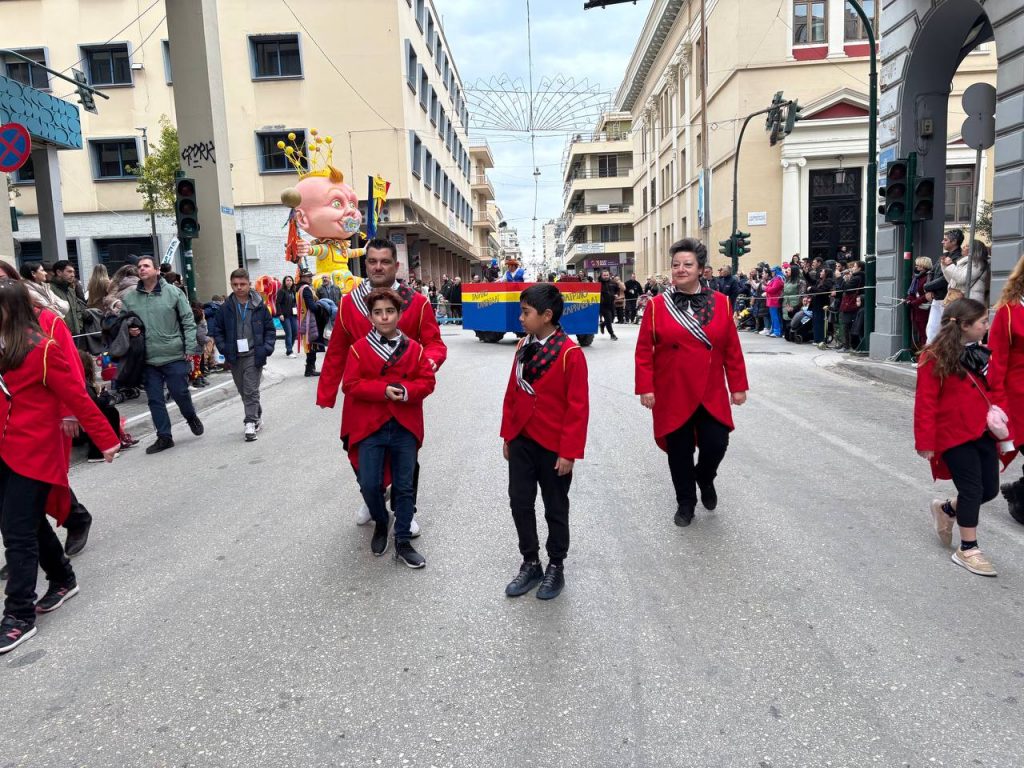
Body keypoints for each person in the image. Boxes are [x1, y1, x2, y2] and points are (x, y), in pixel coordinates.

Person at [0, 281, 119, 655]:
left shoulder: (43, 349)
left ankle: (18, 614)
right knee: (30, 524)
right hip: (4, 450)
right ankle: (63, 578)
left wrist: (107, 438)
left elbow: (77, 396)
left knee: (16, 531)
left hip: (36, 451)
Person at [317, 238, 447, 534]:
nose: (378, 267)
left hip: (403, 398)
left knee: (406, 457)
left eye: (385, 261)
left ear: (395, 265)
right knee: (357, 450)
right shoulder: (349, 302)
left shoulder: (417, 301)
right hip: (362, 398)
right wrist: (326, 392)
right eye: (372, 261)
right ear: (365, 265)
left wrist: (427, 362)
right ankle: (371, 496)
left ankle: (406, 511)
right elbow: (337, 348)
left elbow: (434, 343)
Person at [635, 238, 749, 527]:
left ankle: (706, 476)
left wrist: (737, 385)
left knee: (716, 443)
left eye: (688, 264)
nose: (680, 269)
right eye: (676, 265)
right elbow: (644, 350)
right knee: (679, 451)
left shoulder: (721, 303)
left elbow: (731, 348)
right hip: (672, 390)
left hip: (710, 390)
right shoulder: (657, 306)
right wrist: (645, 387)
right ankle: (685, 503)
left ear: (701, 269)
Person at [501, 284, 589, 600]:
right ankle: (530, 561)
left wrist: (569, 453)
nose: (521, 318)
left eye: (526, 312)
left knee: (555, 507)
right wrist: (507, 435)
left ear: (547, 315)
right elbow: (512, 393)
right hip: (523, 440)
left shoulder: (570, 354)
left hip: (554, 447)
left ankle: (556, 565)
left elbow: (578, 408)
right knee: (520, 502)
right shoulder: (523, 346)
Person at [914, 298, 1013, 577]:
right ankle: (968, 548)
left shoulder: (983, 353)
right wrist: (926, 442)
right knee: (971, 490)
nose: (987, 326)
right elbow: (926, 402)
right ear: (965, 325)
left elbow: (994, 391)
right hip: (953, 435)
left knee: (989, 490)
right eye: (983, 322)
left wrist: (1003, 424)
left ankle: (945, 509)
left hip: (982, 432)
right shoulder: (933, 356)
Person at [341, 288, 435, 568]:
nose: (384, 317)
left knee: (405, 487)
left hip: (405, 425)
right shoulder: (358, 348)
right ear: (370, 316)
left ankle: (403, 541)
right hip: (371, 426)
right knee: (370, 484)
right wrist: (383, 390)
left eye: (390, 311)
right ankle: (381, 521)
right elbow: (350, 384)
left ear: (399, 315)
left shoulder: (415, 349)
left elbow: (427, 382)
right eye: (378, 312)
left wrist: (406, 391)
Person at [120, 255, 204, 454]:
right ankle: (164, 436)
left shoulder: (173, 293)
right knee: (155, 399)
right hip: (147, 358)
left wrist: (190, 348)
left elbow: (188, 321)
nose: (142, 269)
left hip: (173, 353)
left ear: (157, 270)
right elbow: (122, 321)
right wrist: (128, 328)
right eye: (139, 266)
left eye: (146, 266)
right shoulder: (130, 297)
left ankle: (190, 416)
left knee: (180, 393)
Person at [208, 269, 277, 441]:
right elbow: (218, 331)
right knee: (244, 391)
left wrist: (266, 348)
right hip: (235, 355)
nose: (239, 288)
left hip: (254, 354)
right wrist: (224, 348)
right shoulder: (225, 308)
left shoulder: (260, 306)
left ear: (249, 284)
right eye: (235, 284)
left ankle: (250, 423)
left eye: (242, 284)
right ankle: (257, 414)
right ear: (231, 285)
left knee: (250, 389)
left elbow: (270, 330)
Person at [987, 255, 1024, 526]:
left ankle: (1018, 490)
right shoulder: (1008, 311)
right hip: (1017, 397)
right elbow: (997, 361)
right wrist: (996, 403)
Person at [923, 229, 963, 342]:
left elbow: (947, 279)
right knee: (931, 328)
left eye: (945, 239)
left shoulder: (958, 258)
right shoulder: (944, 255)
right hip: (938, 297)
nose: (942, 242)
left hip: (948, 298)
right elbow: (931, 272)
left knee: (947, 330)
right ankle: (929, 355)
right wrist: (928, 289)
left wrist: (927, 287)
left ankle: (941, 355)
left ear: (954, 241)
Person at [942, 240, 990, 306]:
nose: (963, 247)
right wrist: (945, 266)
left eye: (967, 246)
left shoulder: (977, 263)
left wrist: (950, 265)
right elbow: (952, 281)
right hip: (962, 300)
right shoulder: (964, 262)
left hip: (971, 302)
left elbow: (962, 279)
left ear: (975, 249)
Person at [296, 269, 326, 377]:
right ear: (303, 277)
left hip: (303, 318)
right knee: (311, 344)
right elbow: (312, 306)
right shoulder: (306, 289)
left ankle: (310, 368)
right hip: (309, 319)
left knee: (309, 344)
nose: (311, 278)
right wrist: (321, 307)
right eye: (309, 276)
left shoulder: (299, 288)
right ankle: (309, 369)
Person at [906, 256, 934, 352]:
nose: (917, 267)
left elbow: (927, 295)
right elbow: (912, 292)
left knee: (925, 334)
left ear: (924, 266)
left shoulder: (928, 277)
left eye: (919, 266)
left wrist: (914, 302)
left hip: (924, 310)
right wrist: (909, 299)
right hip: (916, 309)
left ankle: (924, 356)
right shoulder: (916, 278)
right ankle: (922, 355)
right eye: (916, 265)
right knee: (920, 333)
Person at [276, 276, 299, 358]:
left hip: (293, 315)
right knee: (289, 333)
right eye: (287, 280)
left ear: (292, 282)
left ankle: (289, 348)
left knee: (295, 332)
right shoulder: (281, 291)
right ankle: (289, 351)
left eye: (290, 280)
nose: (289, 281)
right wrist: (280, 314)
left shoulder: (293, 291)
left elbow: (295, 303)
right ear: (284, 282)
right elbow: (277, 303)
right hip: (284, 316)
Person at [598, 269, 619, 341]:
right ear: (601, 275)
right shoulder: (598, 283)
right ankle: (612, 334)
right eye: (604, 275)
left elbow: (617, 290)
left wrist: (616, 295)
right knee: (608, 319)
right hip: (603, 305)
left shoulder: (613, 283)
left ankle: (603, 324)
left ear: (609, 275)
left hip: (611, 304)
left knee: (611, 319)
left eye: (607, 275)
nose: (606, 276)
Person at [763, 266, 784, 338]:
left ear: (776, 271)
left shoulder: (778, 278)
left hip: (774, 300)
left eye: (773, 271)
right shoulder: (775, 278)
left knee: (775, 317)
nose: (772, 272)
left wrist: (766, 288)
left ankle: (777, 332)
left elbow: (773, 289)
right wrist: (767, 288)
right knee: (773, 317)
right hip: (772, 300)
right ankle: (773, 330)